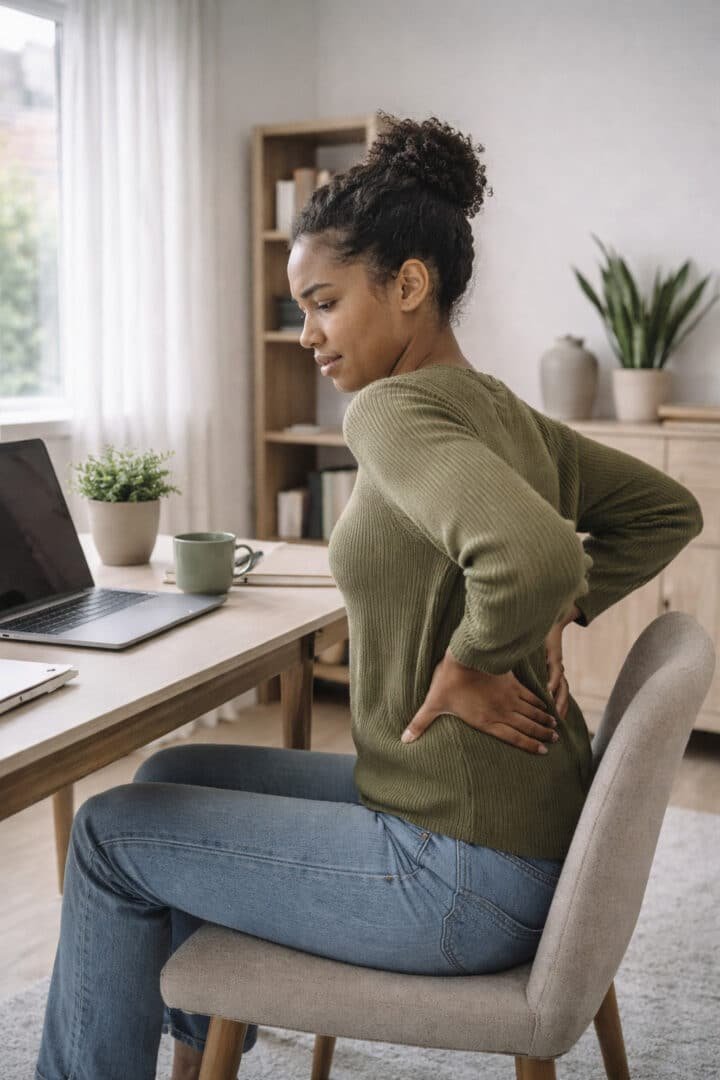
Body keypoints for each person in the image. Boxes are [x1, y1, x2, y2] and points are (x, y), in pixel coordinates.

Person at [35, 111, 703, 1080]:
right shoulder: (507, 410)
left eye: (323, 303)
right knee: (162, 781)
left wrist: (474, 657)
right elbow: (666, 511)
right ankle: (204, 1032)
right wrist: (552, 608)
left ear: (409, 286)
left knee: (102, 837)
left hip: (458, 876)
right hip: (513, 842)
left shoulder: (388, 409)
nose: (304, 334)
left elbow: (537, 556)